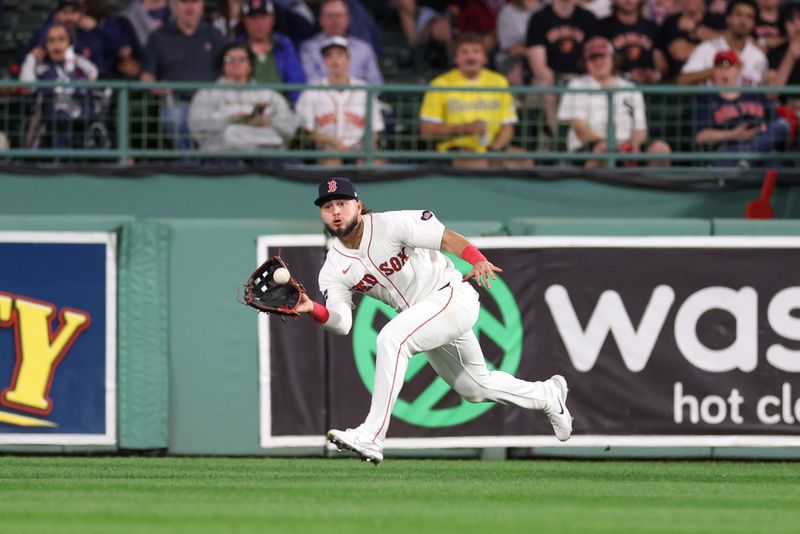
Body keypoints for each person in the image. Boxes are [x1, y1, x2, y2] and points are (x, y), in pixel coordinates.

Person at [292, 176, 573, 464]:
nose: (336, 211)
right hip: (423, 318)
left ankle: (371, 436)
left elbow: (446, 238)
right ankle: (548, 395)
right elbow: (341, 323)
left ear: (358, 205)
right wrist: (312, 307)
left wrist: (476, 258)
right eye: (328, 207)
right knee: (476, 388)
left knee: (392, 339)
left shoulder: (392, 224)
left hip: (451, 297)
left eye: (342, 203)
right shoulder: (333, 267)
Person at [557, 36, 671, 167]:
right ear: (585, 62)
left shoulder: (630, 88)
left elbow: (640, 130)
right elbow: (581, 130)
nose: (598, 62)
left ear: (612, 58)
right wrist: (614, 146)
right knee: (603, 150)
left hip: (627, 147)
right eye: (593, 58)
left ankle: (654, 186)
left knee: (660, 148)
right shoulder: (577, 85)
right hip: (590, 147)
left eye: (602, 57)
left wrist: (631, 146)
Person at [419, 33, 529, 168]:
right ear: (456, 59)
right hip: (456, 150)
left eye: (476, 51)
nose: (470, 56)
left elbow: (507, 126)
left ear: (485, 58)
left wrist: (495, 149)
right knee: (480, 163)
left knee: (524, 159)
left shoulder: (499, 82)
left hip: (493, 149)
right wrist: (464, 129)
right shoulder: (440, 84)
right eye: (464, 52)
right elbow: (426, 131)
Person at [140, 0, 226, 152]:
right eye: (183, 1)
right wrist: (154, 86)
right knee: (174, 118)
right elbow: (147, 75)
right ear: (173, 5)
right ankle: (191, 164)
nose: (189, 6)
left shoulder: (215, 35)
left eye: (194, 2)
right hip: (178, 102)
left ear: (202, 5)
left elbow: (227, 71)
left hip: (211, 104)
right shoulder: (158, 36)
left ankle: (205, 163)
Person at [187, 42, 297, 154]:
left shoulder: (269, 95)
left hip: (266, 153)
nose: (236, 63)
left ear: (250, 65)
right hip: (223, 153)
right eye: (230, 59)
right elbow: (197, 127)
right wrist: (230, 119)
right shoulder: (207, 93)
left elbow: (289, 127)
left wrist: (269, 121)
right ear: (222, 65)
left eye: (241, 59)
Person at [295, 36, 384, 165]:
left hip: (360, 146)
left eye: (340, 55)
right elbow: (307, 131)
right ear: (324, 61)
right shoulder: (312, 91)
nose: (335, 60)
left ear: (348, 59)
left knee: (374, 159)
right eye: (329, 56)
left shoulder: (364, 89)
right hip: (326, 147)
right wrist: (332, 141)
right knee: (332, 159)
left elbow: (376, 129)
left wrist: (366, 145)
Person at [694, 49, 790, 167]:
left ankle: (747, 157)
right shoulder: (707, 99)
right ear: (713, 72)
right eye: (719, 67)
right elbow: (701, 137)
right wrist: (733, 134)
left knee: (782, 127)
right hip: (730, 150)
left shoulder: (755, 95)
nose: (724, 72)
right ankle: (746, 160)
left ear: (738, 70)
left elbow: (777, 126)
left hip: (760, 146)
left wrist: (761, 131)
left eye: (729, 67)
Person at [19, 22, 99, 149]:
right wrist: (31, 57)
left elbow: (93, 72)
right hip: (53, 118)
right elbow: (28, 85)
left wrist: (74, 58)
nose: (56, 45)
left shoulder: (78, 64)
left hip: (81, 115)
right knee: (60, 116)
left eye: (61, 40)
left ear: (69, 43)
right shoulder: (42, 67)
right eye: (51, 41)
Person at [526, 0, 599, 136]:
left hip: (581, 78)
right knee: (544, 86)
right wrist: (555, 84)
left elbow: (595, 58)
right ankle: (556, 139)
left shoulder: (588, 18)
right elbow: (538, 65)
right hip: (550, 77)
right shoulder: (539, 18)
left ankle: (585, 140)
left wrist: (577, 83)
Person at [677, 0, 768, 86]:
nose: (743, 20)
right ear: (728, 18)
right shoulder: (707, 48)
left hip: (747, 102)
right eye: (739, 14)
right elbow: (682, 81)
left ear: (754, 24)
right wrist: (719, 70)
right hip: (711, 102)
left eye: (749, 17)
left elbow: (764, 92)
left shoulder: (759, 57)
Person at [298, 0, 383, 87]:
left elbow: (375, 84)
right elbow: (311, 83)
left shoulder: (364, 49)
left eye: (339, 15)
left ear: (348, 19)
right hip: (322, 98)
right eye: (330, 16)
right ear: (321, 20)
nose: (334, 20)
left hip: (359, 98)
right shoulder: (308, 48)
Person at [239, 0, 305, 103]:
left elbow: (296, 82)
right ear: (244, 20)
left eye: (263, 17)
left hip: (282, 111)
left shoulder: (284, 45)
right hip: (247, 108)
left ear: (272, 19)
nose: (258, 23)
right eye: (253, 18)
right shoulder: (237, 47)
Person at [599, 0, 667, 83]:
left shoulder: (653, 28)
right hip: (615, 86)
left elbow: (662, 65)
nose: (629, 1)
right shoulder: (602, 27)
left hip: (648, 88)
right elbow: (596, 62)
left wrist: (655, 74)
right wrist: (626, 75)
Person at [657, 0, 725, 81]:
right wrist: (713, 46)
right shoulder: (671, 22)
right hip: (682, 85)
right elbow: (681, 53)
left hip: (714, 83)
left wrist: (695, 29)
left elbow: (728, 46)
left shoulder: (718, 20)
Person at [495, 0, 542, 86]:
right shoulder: (508, 11)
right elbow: (510, 49)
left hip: (545, 56)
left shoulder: (547, 7)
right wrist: (534, 54)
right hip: (514, 58)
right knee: (515, 73)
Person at [766, 3, 800, 111]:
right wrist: (790, 56)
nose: (798, 25)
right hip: (785, 113)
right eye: (791, 21)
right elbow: (772, 94)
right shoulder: (775, 54)